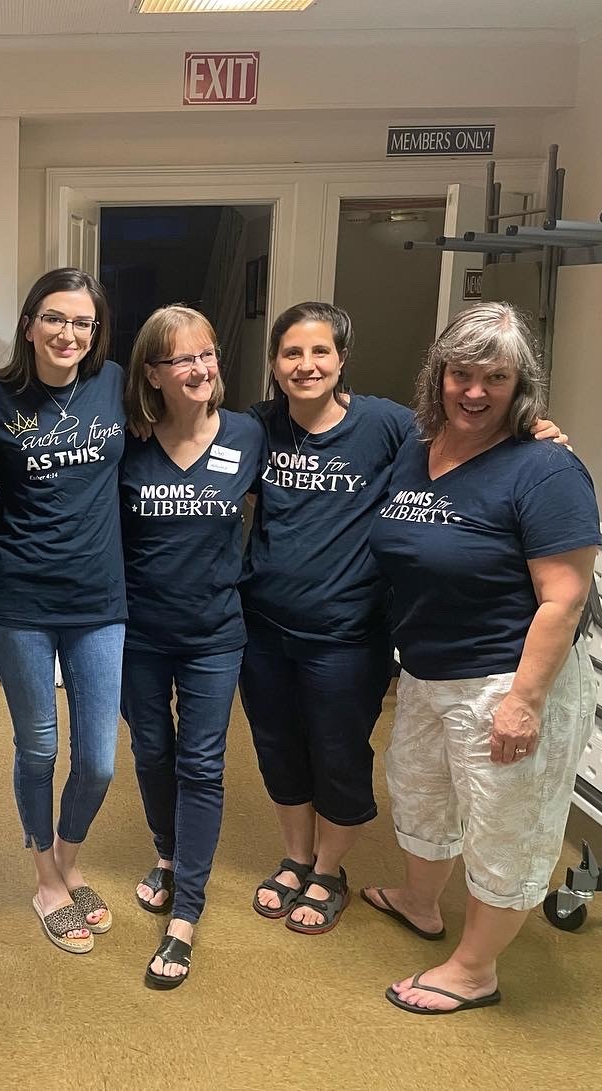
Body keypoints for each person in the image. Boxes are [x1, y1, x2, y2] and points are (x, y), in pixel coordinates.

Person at [237, 302, 565, 936]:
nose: (306, 365)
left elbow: (471, 436)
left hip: (348, 632)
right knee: (277, 747)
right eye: (291, 353)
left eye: (320, 352)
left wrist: (533, 432)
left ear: (341, 359)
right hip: (265, 628)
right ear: (273, 364)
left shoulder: (387, 425)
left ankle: (328, 870)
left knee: (337, 752)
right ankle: (295, 856)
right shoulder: (257, 427)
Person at [366, 302, 598, 1014]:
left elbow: (564, 598)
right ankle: (420, 901)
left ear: (520, 383)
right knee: (422, 793)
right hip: (428, 668)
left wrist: (523, 701)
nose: (474, 391)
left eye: (494, 377)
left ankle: (475, 970)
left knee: (504, 823)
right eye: (461, 373)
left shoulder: (546, 468)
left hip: (507, 677)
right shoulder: (418, 448)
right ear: (437, 375)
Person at [0, 267, 125, 955]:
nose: (69, 333)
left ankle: (69, 854)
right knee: (38, 746)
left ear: (96, 332)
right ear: (30, 324)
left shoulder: (113, 383)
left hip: (100, 599)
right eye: (55, 318)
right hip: (20, 599)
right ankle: (45, 877)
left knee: (98, 760)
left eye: (82, 322)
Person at [119, 305, 264, 987]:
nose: (202, 368)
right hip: (138, 632)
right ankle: (168, 854)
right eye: (184, 358)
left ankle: (187, 914)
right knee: (152, 749)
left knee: (202, 763)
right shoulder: (127, 441)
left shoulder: (249, 434)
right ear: (153, 372)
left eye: (208, 354)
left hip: (214, 633)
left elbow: (338, 432)